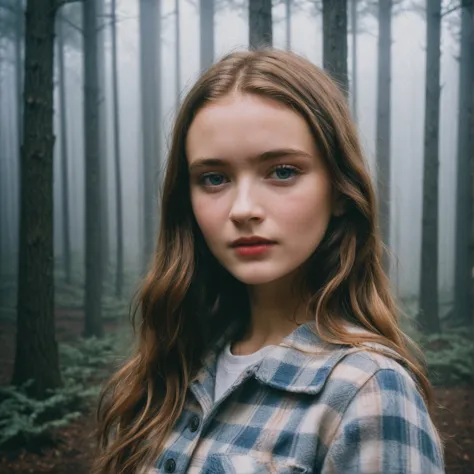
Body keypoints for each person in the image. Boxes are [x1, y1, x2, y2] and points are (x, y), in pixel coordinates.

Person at [92, 49, 444, 474]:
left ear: (338, 190)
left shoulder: (368, 393)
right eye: (214, 178)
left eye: (281, 171)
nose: (243, 209)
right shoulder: (170, 372)